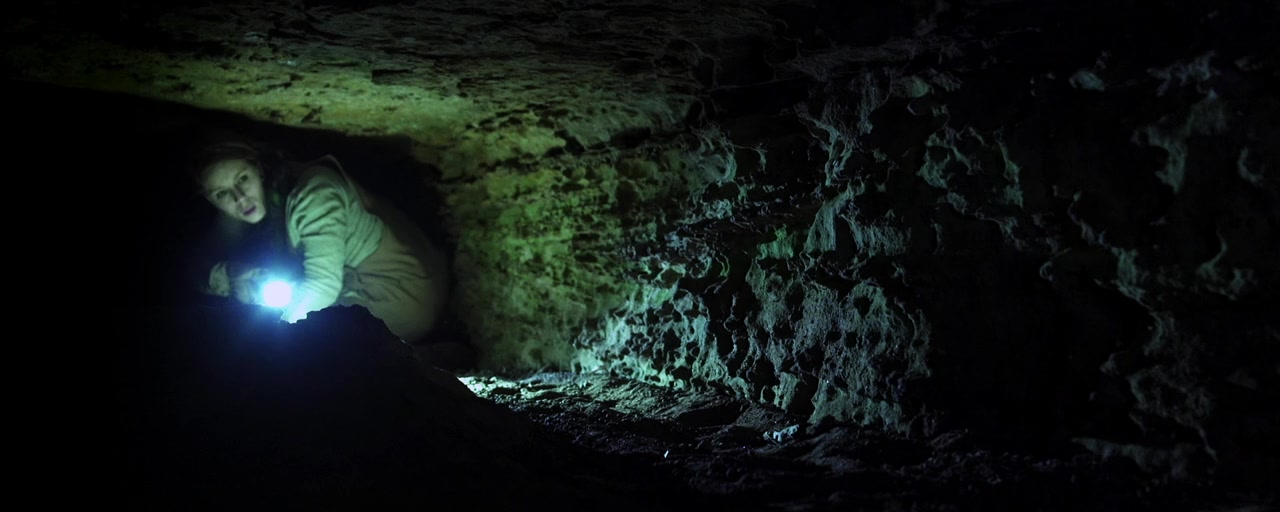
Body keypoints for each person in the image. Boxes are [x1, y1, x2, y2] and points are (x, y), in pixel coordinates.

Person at [188, 133, 470, 366]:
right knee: (255, 290)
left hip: (403, 296)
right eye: (222, 194)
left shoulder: (314, 193)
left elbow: (322, 286)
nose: (239, 197)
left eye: (242, 179)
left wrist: (272, 342)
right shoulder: (262, 199)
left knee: (308, 346)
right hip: (360, 285)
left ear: (258, 169)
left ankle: (422, 359)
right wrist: (227, 272)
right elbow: (200, 266)